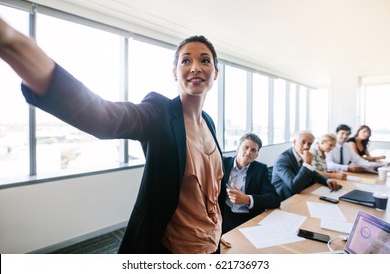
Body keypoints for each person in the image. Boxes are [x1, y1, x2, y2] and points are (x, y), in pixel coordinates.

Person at [0, 18, 231, 253]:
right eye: (185, 60)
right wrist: (11, 41)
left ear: (215, 73)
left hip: (211, 246)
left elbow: (215, 192)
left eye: (205, 60)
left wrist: (218, 232)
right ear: (174, 73)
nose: (195, 67)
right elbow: (102, 115)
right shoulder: (159, 112)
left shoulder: (209, 123)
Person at [222, 133, 280, 234]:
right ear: (238, 148)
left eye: (253, 150)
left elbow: (274, 199)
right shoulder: (222, 163)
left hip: (247, 218)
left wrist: (247, 199)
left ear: (256, 155)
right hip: (224, 215)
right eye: (246, 147)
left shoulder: (260, 169)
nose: (249, 152)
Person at [271, 130, 342, 201]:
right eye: (303, 142)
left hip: (299, 196)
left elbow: (313, 174)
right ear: (295, 142)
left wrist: (327, 181)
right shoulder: (283, 160)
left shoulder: (301, 154)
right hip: (284, 200)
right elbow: (294, 187)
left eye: (309, 144)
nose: (306, 147)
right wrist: (307, 163)